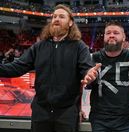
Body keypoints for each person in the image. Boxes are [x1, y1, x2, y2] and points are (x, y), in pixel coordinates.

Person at [0, 4, 93, 132]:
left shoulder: (79, 46)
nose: (56, 19)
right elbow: (17, 67)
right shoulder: (39, 46)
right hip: (41, 112)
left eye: (61, 16)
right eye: (54, 16)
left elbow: (87, 69)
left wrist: (89, 74)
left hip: (66, 113)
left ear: (70, 22)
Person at [82, 22, 129, 132]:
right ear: (104, 37)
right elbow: (79, 84)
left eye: (116, 33)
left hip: (126, 119)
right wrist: (79, 109)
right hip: (99, 119)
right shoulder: (92, 58)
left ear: (123, 37)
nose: (112, 35)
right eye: (108, 33)